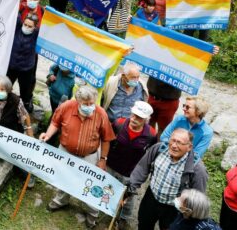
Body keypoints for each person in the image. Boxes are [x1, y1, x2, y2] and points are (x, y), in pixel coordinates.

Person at [40, 85, 116, 229]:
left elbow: (106, 139)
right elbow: (55, 122)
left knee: (91, 186)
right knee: (64, 178)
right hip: (66, 152)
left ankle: (92, 214)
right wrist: (48, 134)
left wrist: (103, 159)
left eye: (92, 103)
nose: (89, 106)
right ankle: (60, 200)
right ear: (77, 101)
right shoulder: (66, 107)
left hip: (90, 156)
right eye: (85, 104)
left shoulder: (101, 114)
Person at [127, 129, 208, 230]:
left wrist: (189, 214)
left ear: (189, 147)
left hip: (173, 208)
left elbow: (198, 196)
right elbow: (143, 167)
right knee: (144, 223)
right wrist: (132, 185)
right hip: (151, 197)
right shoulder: (159, 149)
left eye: (179, 143)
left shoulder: (197, 168)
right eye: (173, 140)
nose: (174, 145)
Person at [107, 101, 158, 229]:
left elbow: (151, 155)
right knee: (107, 189)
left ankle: (124, 218)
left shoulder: (151, 134)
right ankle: (104, 209)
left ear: (146, 119)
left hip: (132, 172)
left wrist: (143, 173)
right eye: (134, 115)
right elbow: (108, 141)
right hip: (111, 165)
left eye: (139, 117)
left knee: (128, 197)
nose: (134, 119)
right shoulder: (119, 123)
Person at [160, 97, 213, 161]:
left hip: (186, 162)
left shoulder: (207, 132)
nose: (183, 109)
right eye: (184, 105)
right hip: (168, 154)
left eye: (187, 107)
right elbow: (164, 137)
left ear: (198, 111)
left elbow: (197, 154)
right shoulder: (179, 119)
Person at [7, 14, 39, 113]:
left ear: (35, 27)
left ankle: (25, 108)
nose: (26, 27)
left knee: (25, 92)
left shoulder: (36, 34)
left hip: (26, 69)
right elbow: (13, 12)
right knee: (6, 86)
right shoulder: (17, 28)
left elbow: (49, 29)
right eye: (25, 25)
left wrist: (49, 15)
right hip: (12, 66)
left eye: (30, 26)